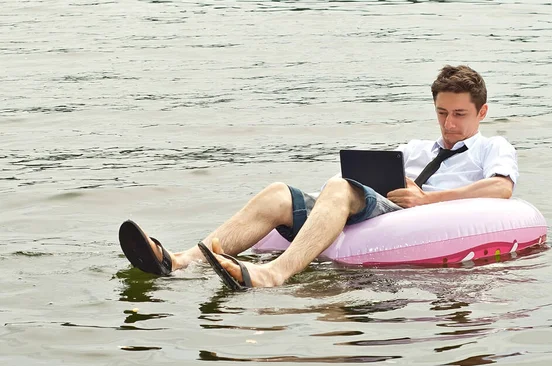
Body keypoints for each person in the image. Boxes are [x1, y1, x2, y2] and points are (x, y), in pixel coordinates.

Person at [119, 65, 518, 290]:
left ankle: (274, 274)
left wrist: (427, 199)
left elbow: (501, 188)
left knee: (339, 186)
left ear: (481, 113)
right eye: (441, 112)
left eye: (459, 114)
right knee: (278, 193)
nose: (448, 123)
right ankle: (180, 261)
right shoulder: (415, 149)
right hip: (384, 209)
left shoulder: (493, 147)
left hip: (420, 213)